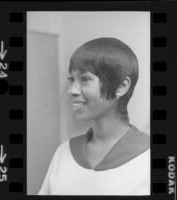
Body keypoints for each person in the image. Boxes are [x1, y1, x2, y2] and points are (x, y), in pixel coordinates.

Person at [38, 38, 150, 195]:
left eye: (84, 79)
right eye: (72, 79)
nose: (72, 90)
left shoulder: (149, 156)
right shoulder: (63, 152)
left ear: (121, 86)